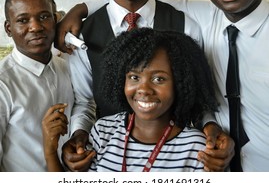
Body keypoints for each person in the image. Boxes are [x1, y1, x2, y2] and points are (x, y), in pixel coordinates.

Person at [58, 0, 269, 172]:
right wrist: (82, 7)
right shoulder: (86, 32)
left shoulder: (189, 21)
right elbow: (85, 101)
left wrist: (209, 127)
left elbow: (198, 95)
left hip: (180, 153)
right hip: (112, 154)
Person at [43, 28, 219, 172]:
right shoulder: (104, 131)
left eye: (159, 79)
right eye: (134, 77)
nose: (144, 89)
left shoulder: (197, 148)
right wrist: (50, 151)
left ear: (181, 83)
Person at [0, 0, 74, 171]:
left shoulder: (68, 69)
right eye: (23, 20)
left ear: (56, 19)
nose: (35, 27)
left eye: (43, 17)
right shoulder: (4, 82)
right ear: (9, 29)